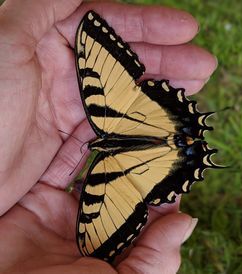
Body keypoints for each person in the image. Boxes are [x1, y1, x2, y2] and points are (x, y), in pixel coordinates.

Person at [0, 0, 217, 273]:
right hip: (148, 119)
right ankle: (183, 135)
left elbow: (103, 220)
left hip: (149, 164)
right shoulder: (102, 113)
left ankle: (183, 149)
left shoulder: (101, 170)